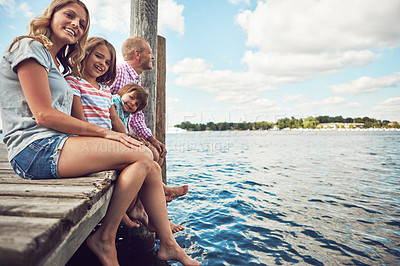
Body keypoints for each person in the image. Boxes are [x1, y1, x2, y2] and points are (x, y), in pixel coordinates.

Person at [0, 1, 200, 266]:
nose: (76, 24)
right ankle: (106, 237)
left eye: (82, 24)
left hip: (55, 145)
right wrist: (106, 135)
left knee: (151, 166)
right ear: (51, 16)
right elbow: (44, 115)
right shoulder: (30, 47)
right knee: (141, 154)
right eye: (69, 15)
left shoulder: (53, 63)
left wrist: (117, 134)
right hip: (33, 150)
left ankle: (168, 244)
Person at [66, 36, 184, 232]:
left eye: (107, 62)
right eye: (149, 53)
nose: (153, 56)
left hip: (109, 135)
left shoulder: (112, 87)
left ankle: (145, 213)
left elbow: (121, 118)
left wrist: (146, 139)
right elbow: (90, 117)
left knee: (153, 154)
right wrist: (118, 136)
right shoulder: (113, 75)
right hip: (93, 139)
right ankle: (143, 205)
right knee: (149, 156)